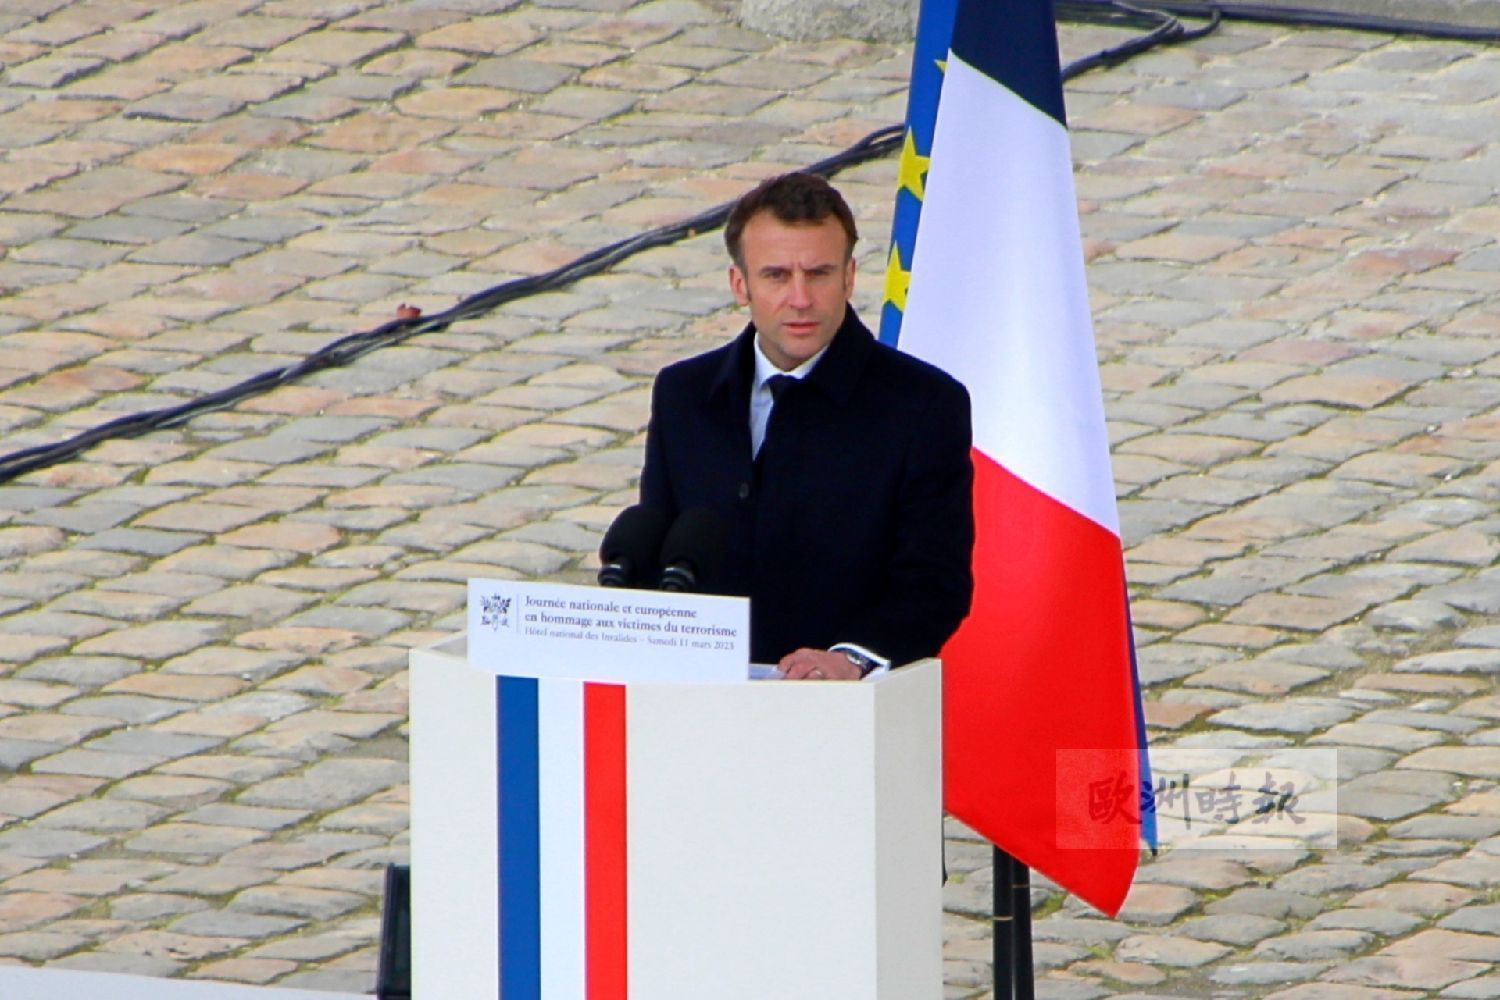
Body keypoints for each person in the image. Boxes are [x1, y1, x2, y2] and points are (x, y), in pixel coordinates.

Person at [639, 172, 975, 680]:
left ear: (848, 278)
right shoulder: (683, 394)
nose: (800, 298)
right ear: (739, 284)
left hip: (843, 706)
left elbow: (934, 584)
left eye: (818, 274)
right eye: (776, 276)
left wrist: (852, 659)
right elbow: (656, 547)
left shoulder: (924, 405)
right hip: (697, 698)